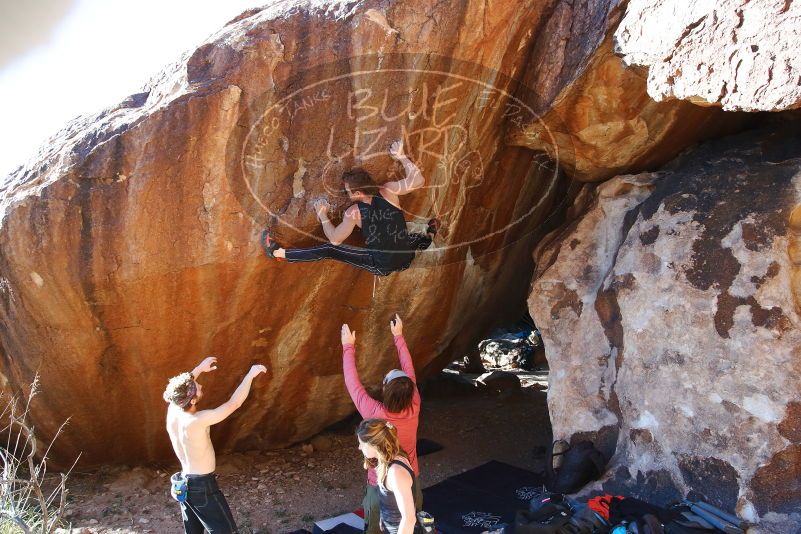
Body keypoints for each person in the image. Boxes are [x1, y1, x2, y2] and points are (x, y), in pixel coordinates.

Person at [261, 139, 440, 276]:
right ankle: (431, 232)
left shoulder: (354, 213)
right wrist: (401, 156)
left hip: (382, 265)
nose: (347, 194)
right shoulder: (388, 191)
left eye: (348, 191)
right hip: (405, 258)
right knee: (413, 239)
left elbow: (335, 240)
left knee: (329, 251)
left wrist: (322, 214)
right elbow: (419, 180)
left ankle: (278, 252)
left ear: (358, 193)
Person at [163, 356, 267, 534]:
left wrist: (199, 368)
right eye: (197, 388)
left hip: (184, 484)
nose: (200, 385)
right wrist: (250, 375)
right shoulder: (197, 420)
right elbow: (233, 404)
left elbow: (181, 389)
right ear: (193, 400)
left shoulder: (173, 412)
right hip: (202, 487)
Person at [341, 314, 421, 534]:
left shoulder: (375, 412)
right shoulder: (414, 404)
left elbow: (352, 384)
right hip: (408, 476)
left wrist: (348, 347)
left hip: (380, 483)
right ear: (410, 390)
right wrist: (398, 336)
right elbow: (409, 371)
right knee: (409, 520)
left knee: (377, 527)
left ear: (385, 389)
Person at [356, 419, 420, 534]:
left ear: (374, 445)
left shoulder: (395, 472)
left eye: (361, 444)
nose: (359, 448)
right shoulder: (387, 461)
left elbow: (409, 519)